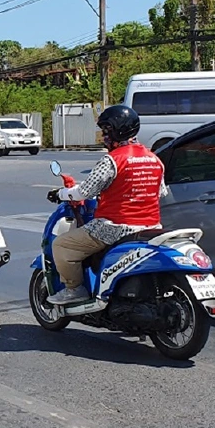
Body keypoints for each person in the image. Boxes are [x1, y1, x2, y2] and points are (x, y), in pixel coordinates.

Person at [46, 104, 168, 305]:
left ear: (116, 131)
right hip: (152, 228)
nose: (104, 138)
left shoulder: (112, 160)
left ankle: (74, 289)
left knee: (62, 245)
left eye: (106, 132)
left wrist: (60, 193)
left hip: (116, 228)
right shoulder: (154, 159)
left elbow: (84, 192)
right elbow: (161, 192)